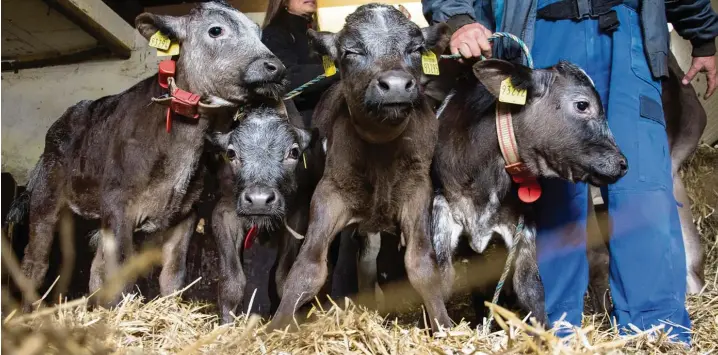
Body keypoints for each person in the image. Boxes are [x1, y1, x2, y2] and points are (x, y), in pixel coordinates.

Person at [421, 0, 718, 344]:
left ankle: (657, 334)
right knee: (552, 195)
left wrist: (703, 34)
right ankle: (558, 332)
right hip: (539, 27)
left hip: (627, 33)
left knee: (643, 186)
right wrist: (459, 19)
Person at [261, 0, 338, 128]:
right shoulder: (274, 34)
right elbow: (288, 78)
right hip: (296, 126)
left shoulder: (319, 36)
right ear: (284, 2)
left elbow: (329, 68)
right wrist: (341, 69)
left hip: (326, 118)